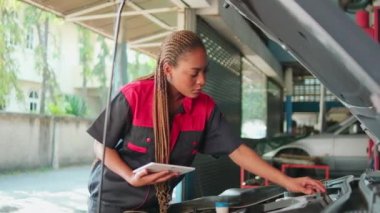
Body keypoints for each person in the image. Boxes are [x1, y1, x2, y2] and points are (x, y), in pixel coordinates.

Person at [86, 30, 326, 213]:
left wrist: (289, 182)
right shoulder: (135, 95)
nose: (202, 80)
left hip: (155, 205)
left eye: (205, 72)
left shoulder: (205, 108)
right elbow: (100, 145)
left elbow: (238, 151)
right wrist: (130, 176)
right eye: (194, 73)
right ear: (168, 70)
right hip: (110, 201)